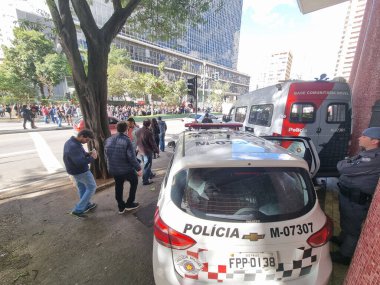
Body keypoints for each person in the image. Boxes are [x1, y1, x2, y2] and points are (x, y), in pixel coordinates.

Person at [330, 127, 380, 265]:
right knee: (346, 221)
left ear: (375, 141)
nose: (359, 138)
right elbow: (345, 164)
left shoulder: (374, 158)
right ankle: (342, 240)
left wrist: (347, 163)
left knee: (353, 228)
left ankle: (345, 255)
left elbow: (343, 167)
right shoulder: (365, 153)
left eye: (364, 136)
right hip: (348, 196)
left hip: (357, 200)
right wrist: (347, 162)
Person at [104, 121, 142, 214]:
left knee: (118, 186)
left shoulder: (108, 140)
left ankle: (121, 207)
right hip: (126, 169)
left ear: (117, 129)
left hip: (114, 169)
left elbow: (106, 156)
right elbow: (131, 157)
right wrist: (138, 168)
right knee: (134, 182)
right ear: (126, 129)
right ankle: (129, 203)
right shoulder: (127, 140)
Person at [63, 129, 98, 217]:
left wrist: (88, 153)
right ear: (82, 136)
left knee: (82, 187)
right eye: (87, 140)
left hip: (74, 170)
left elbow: (80, 155)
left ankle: (86, 205)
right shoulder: (74, 146)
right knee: (92, 187)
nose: (86, 142)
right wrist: (93, 157)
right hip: (80, 171)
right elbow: (80, 162)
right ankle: (78, 209)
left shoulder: (72, 142)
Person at [136, 119, 159, 185]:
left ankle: (150, 174)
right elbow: (153, 143)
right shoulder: (148, 132)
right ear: (149, 124)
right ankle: (145, 180)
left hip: (141, 150)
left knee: (146, 164)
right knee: (147, 165)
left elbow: (137, 140)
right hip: (147, 151)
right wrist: (157, 150)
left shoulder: (138, 131)